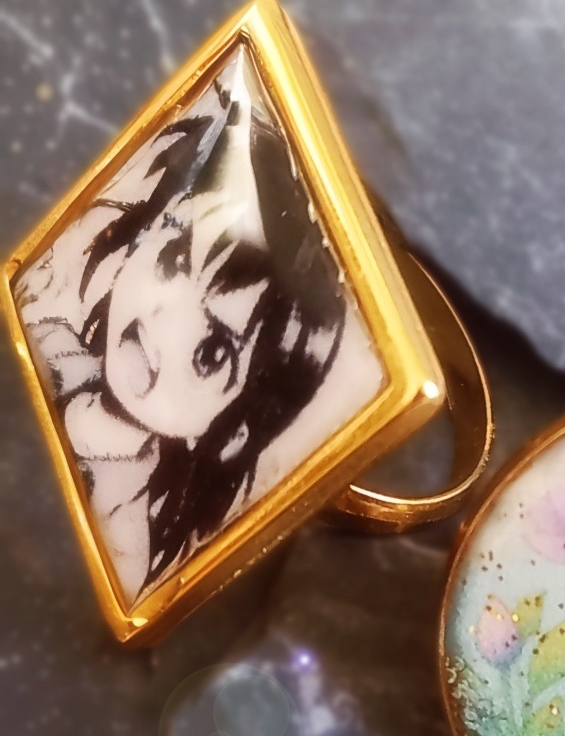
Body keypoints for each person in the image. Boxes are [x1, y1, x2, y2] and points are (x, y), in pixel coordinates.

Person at [14, 51, 348, 602]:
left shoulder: (122, 536)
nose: (162, 319)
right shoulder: (53, 342)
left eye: (212, 351)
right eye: (172, 261)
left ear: (234, 431)